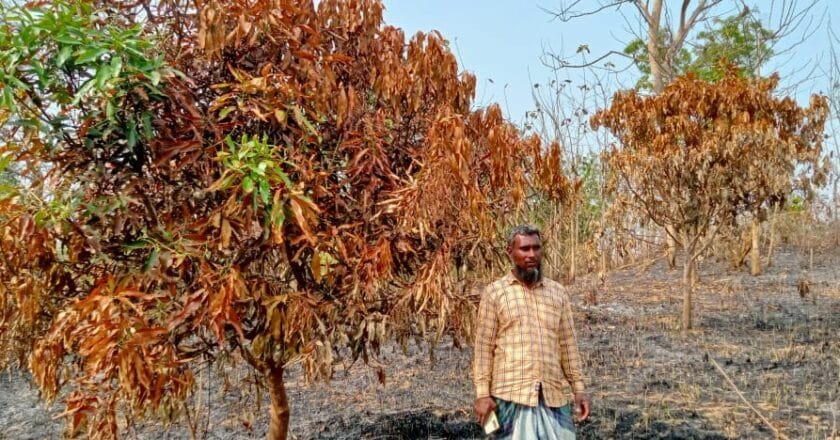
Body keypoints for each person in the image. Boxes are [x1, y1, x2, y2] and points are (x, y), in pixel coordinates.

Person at [473, 224, 590, 439]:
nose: (531, 255)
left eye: (536, 248)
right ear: (510, 252)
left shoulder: (557, 293)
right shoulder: (495, 293)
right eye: (524, 249)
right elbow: (483, 349)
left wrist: (579, 390)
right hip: (508, 397)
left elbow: (567, 344)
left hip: (553, 396)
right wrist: (482, 395)